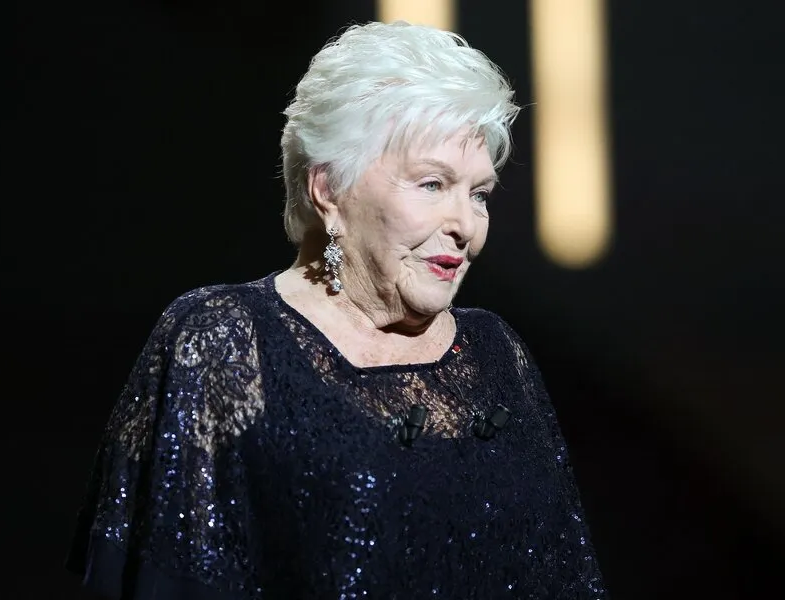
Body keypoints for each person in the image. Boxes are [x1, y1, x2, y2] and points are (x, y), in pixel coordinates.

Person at [66, 20, 606, 599]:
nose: (466, 226)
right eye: (431, 185)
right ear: (328, 189)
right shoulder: (225, 338)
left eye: (478, 194)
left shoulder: (495, 353)